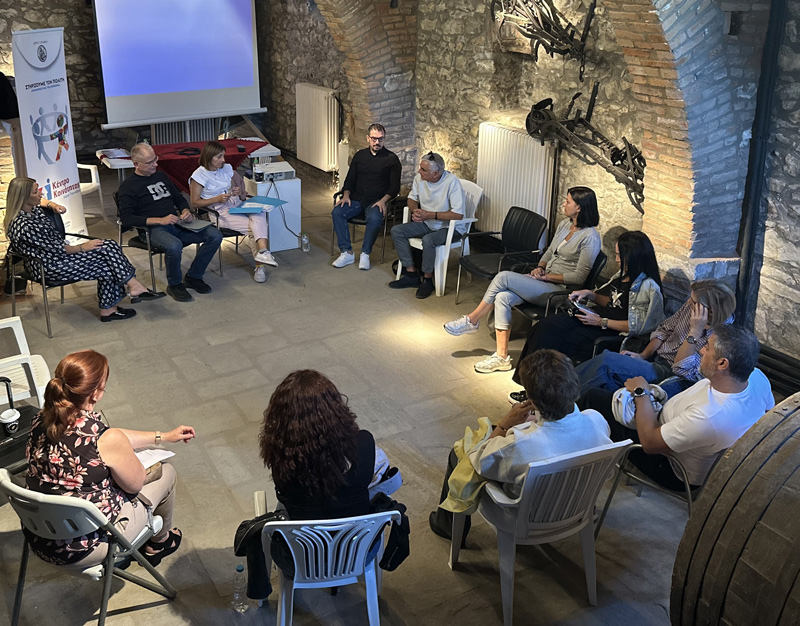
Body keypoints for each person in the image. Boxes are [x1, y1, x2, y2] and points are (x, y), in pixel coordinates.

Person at [25, 350, 196, 568]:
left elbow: (111, 436)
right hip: (85, 548)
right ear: (95, 394)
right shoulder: (103, 438)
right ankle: (159, 543)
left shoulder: (41, 418)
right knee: (166, 474)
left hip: (40, 534)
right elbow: (134, 485)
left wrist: (162, 436)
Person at [428, 350, 612, 542]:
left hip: (527, 519)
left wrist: (504, 425)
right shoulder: (596, 420)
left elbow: (478, 461)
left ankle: (446, 527)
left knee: (458, 455)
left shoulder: (520, 443)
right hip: (577, 507)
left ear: (532, 400)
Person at [580, 325, 774, 490]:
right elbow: (766, 414)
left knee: (594, 398)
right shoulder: (756, 377)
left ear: (722, 363)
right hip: (675, 424)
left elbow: (649, 443)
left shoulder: (709, 416)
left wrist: (641, 393)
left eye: (707, 348)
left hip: (670, 466)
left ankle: (572, 466)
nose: (701, 351)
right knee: (613, 384)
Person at [443, 187, 602, 373]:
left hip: (560, 290)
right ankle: (502, 357)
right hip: (544, 280)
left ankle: (472, 320)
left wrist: (547, 277)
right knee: (502, 297)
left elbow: (579, 277)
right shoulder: (565, 225)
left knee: (502, 276)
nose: (563, 204)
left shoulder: (590, 237)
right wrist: (540, 267)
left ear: (579, 207)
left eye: (568, 202)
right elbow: (549, 252)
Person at [506, 231, 664, 394]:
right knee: (544, 327)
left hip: (609, 330)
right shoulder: (623, 274)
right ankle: (528, 385)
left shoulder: (647, 286)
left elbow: (638, 326)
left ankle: (540, 392)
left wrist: (600, 321)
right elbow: (613, 302)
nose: (617, 260)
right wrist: (590, 294)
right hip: (596, 318)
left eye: (619, 255)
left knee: (555, 338)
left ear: (633, 256)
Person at [258, 370, 381, 577]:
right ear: (336, 409)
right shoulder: (364, 443)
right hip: (358, 554)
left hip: (298, 561)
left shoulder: (282, 460)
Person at [4, 176, 164, 322]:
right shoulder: (24, 226)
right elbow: (58, 250)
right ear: (23, 198)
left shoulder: (31, 208)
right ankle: (116, 301)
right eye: (35, 192)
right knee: (107, 262)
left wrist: (53, 205)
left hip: (58, 257)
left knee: (108, 247)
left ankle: (126, 293)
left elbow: (43, 202)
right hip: (48, 266)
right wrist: (82, 247)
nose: (40, 193)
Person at [572, 279, 736, 398]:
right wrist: (643, 355)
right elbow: (663, 330)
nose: (688, 303)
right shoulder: (690, 308)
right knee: (604, 387)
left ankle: (562, 397)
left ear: (709, 310)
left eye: (693, 302)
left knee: (608, 362)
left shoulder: (721, 337)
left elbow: (683, 371)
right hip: (655, 359)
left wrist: (694, 330)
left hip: (671, 375)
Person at [118, 143, 223, 302]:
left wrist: (185, 211)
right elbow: (126, 218)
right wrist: (160, 220)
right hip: (152, 229)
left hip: (177, 223)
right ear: (136, 164)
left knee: (215, 235)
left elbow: (179, 199)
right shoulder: (128, 187)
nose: (155, 164)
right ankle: (174, 284)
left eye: (155, 159)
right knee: (174, 245)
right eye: (150, 162)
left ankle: (194, 276)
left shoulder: (161, 176)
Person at [189, 140, 277, 284]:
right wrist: (216, 199)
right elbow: (194, 203)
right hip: (219, 211)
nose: (223, 160)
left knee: (260, 213)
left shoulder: (227, 168)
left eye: (223, 156)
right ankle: (260, 266)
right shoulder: (199, 175)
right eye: (219, 157)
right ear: (209, 157)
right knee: (254, 228)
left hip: (236, 203)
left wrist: (238, 191)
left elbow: (240, 187)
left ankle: (263, 252)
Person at [389, 152, 466, 299]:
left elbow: (458, 215)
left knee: (428, 240)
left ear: (435, 173)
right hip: (427, 223)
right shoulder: (420, 179)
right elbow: (412, 198)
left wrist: (429, 215)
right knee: (397, 231)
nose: (419, 171)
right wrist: (415, 211)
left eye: (423, 170)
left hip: (450, 228)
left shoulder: (452, 182)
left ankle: (428, 279)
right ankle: (411, 273)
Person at [331, 123, 401, 271]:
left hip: (376, 201)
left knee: (375, 218)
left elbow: (394, 188)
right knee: (337, 212)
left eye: (380, 139)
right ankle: (347, 252)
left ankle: (365, 254)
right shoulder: (360, 156)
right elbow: (350, 180)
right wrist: (346, 195)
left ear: (384, 139)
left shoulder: (391, 159)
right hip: (356, 199)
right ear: (368, 138)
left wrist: (384, 201)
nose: (377, 142)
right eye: (374, 139)